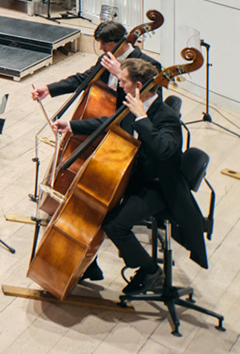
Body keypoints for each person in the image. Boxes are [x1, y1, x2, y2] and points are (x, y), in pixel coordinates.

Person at [52, 59, 206, 293]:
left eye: (123, 81)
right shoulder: (132, 104)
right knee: (94, 207)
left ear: (138, 85)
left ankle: (151, 271)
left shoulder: (166, 117)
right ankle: (89, 265)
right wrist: (72, 126)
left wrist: (142, 118)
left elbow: (163, 149)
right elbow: (108, 122)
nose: (120, 84)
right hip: (134, 178)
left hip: (160, 188)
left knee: (115, 224)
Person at [31, 20, 161, 105]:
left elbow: (152, 101)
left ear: (121, 43)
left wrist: (120, 74)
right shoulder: (107, 58)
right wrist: (49, 89)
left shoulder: (150, 65)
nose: (101, 48)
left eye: (105, 44)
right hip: (103, 114)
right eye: (100, 43)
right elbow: (84, 79)